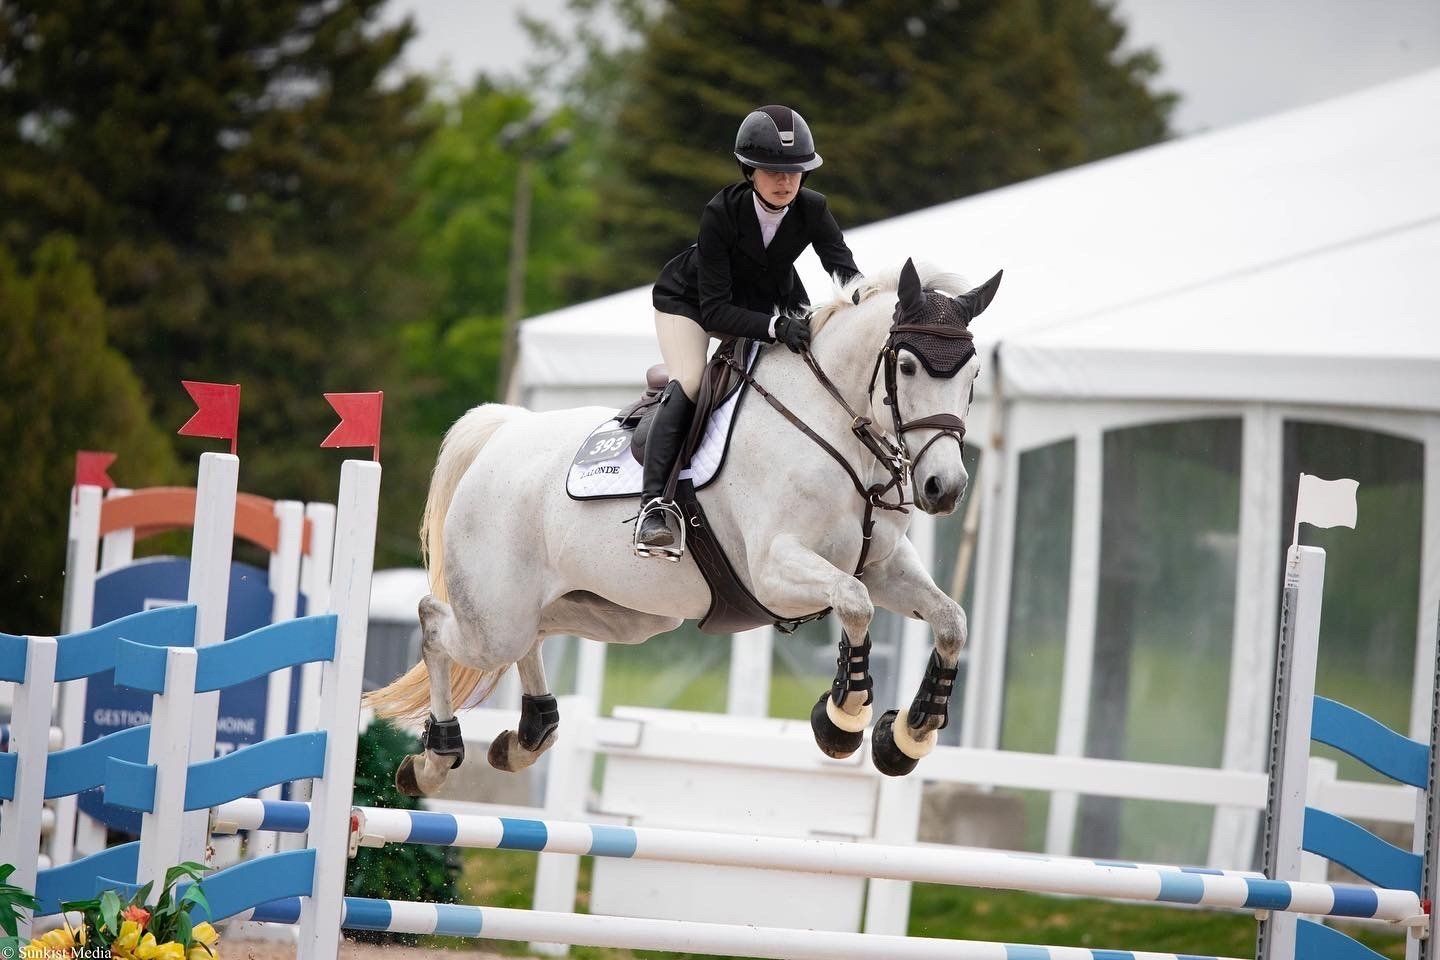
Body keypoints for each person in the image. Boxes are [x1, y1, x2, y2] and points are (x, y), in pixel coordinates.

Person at [639, 104, 862, 553]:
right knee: (694, 381)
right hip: (691, 303)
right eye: (773, 171)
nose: (786, 181)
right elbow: (718, 311)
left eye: (795, 171)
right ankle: (653, 508)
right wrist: (777, 327)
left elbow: (846, 273)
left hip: (763, 297)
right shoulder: (720, 213)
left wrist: (875, 304)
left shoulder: (813, 209)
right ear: (749, 172)